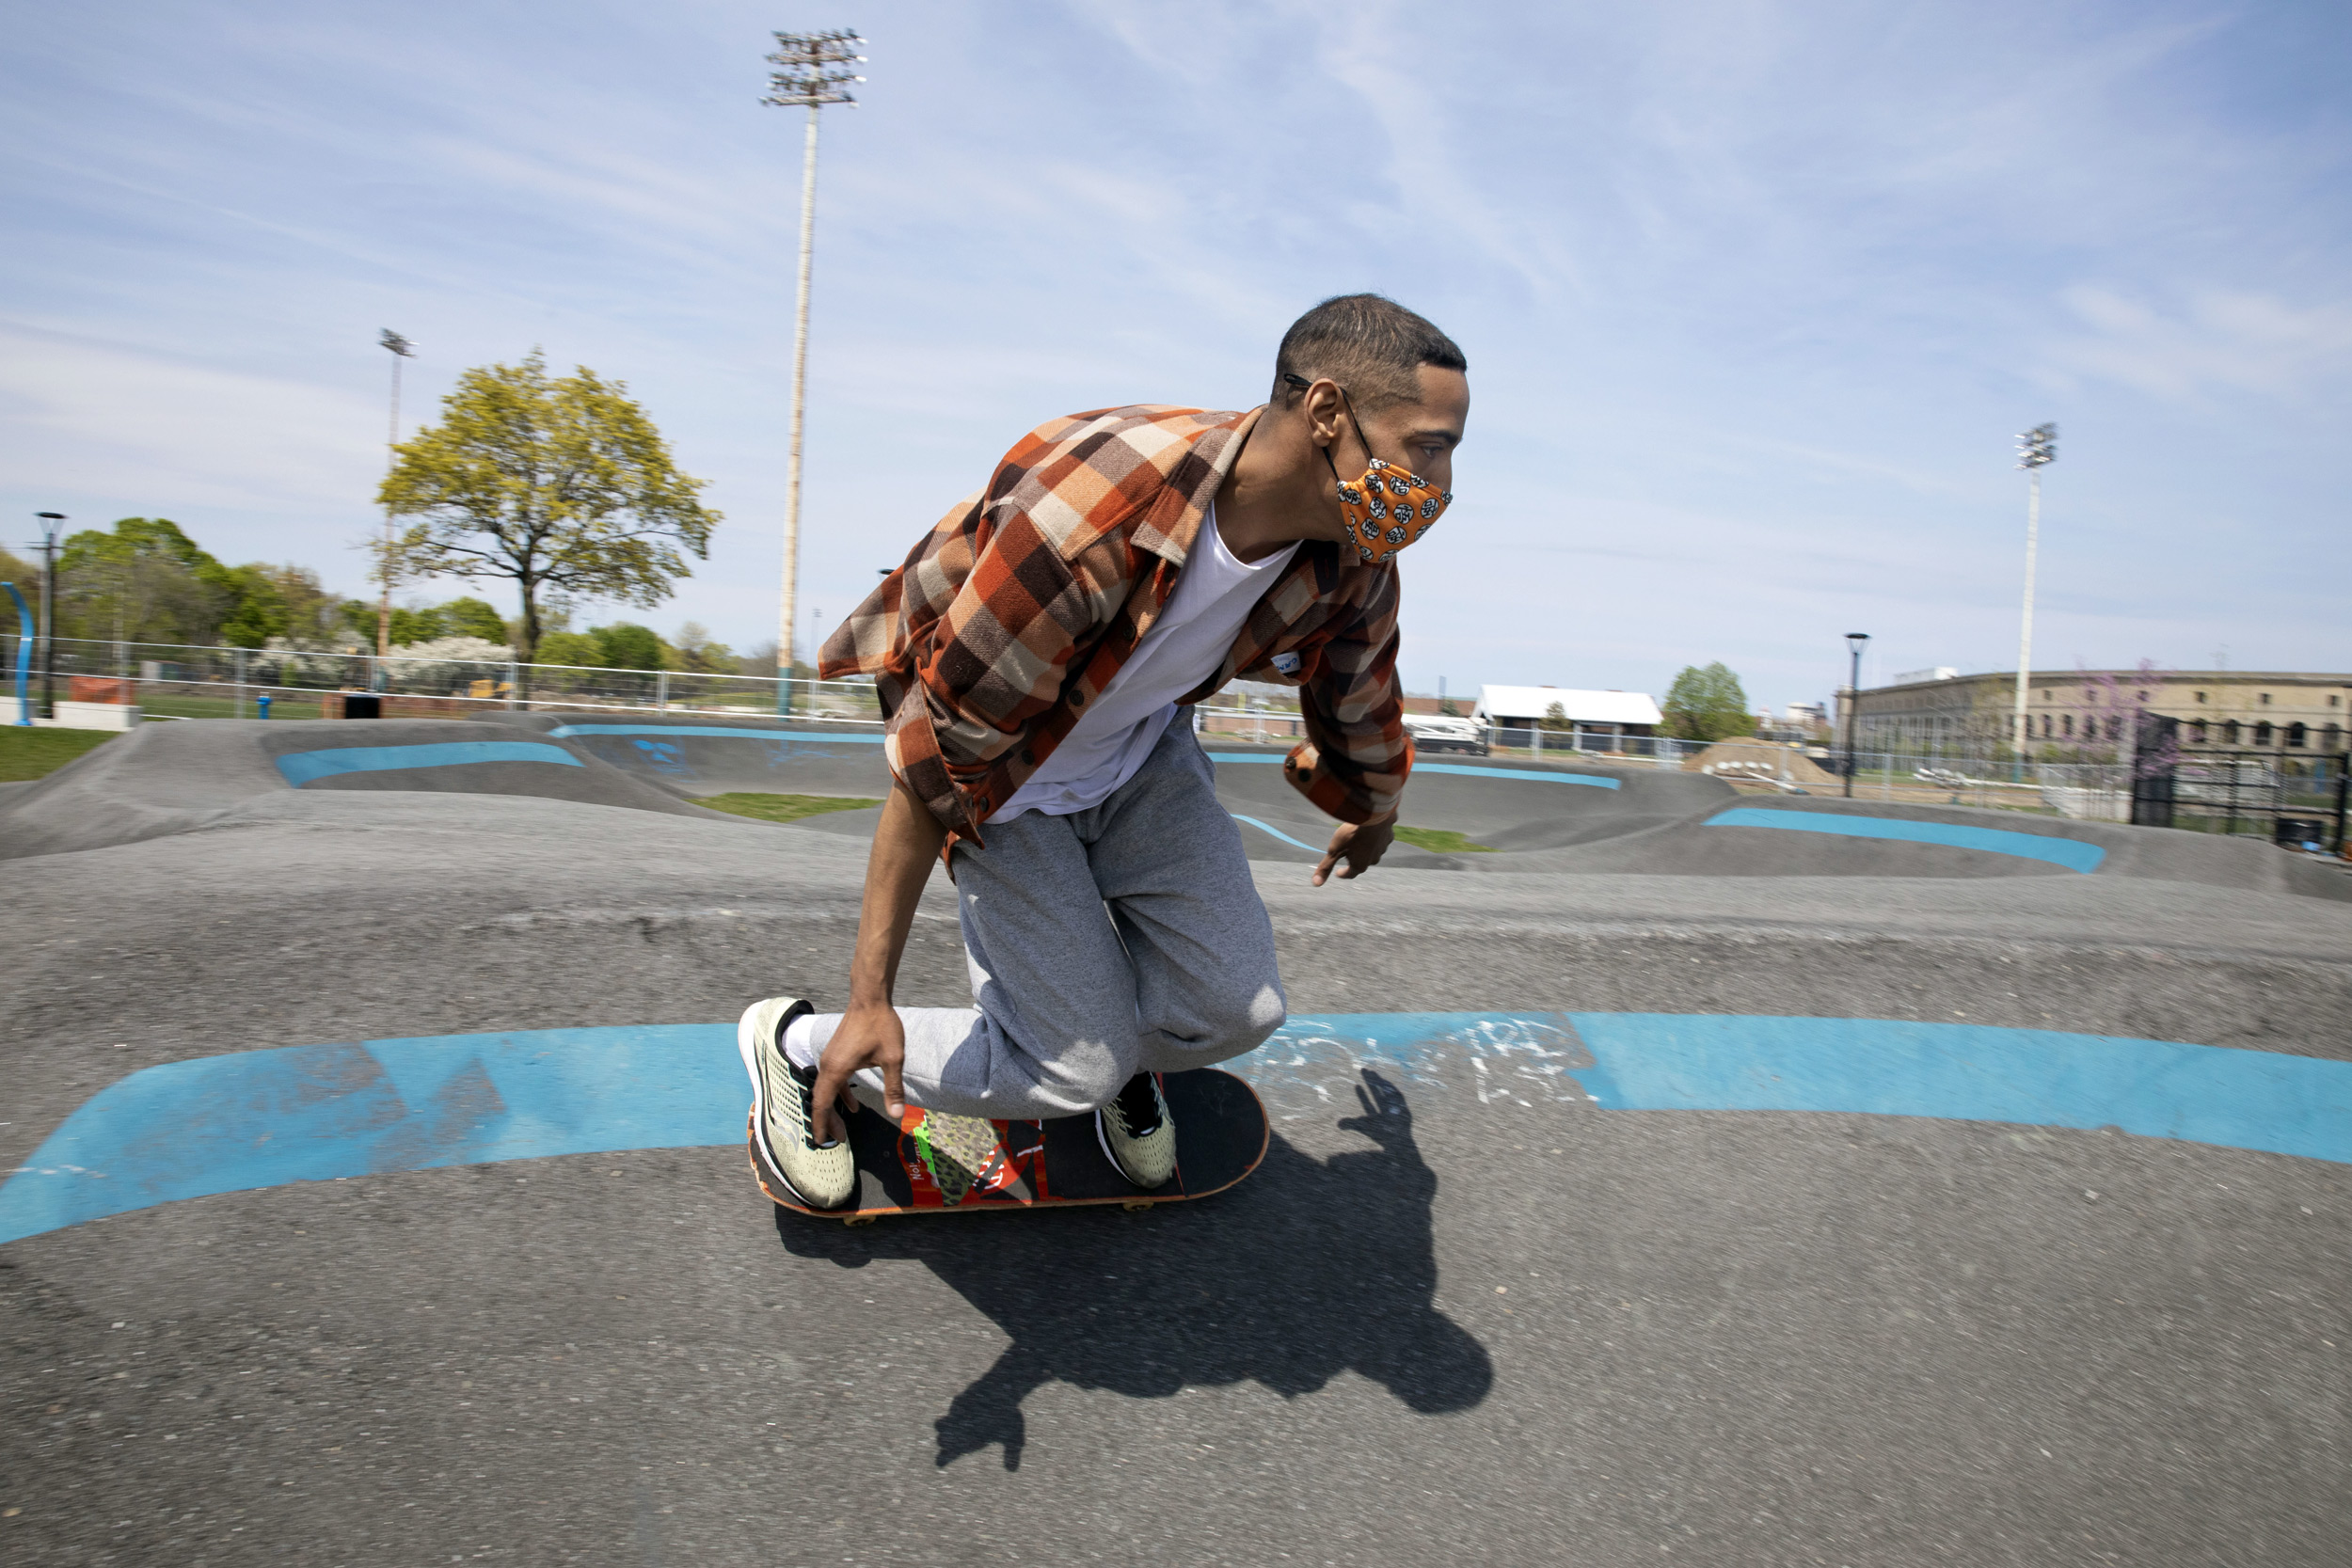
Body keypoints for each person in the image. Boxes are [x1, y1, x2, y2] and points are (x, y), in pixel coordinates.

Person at [739, 293, 1470, 1209]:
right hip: (1000, 774)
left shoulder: (1351, 556)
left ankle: (1115, 1051)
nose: (1439, 487)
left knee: (1239, 1010)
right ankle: (793, 1042)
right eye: (1429, 448)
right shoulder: (1086, 517)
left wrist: (1373, 806)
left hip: (1141, 750)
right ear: (1327, 412)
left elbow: (1360, 694)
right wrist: (869, 992)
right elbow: (935, 766)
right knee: (1067, 1070)